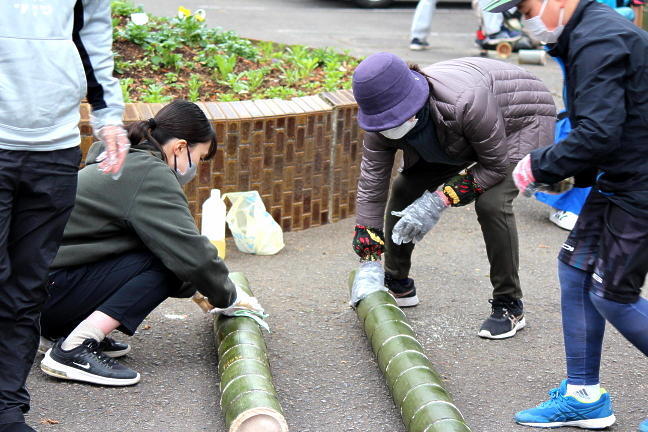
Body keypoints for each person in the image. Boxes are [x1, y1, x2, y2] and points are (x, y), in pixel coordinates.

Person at [484, 0, 648, 429]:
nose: (525, 20)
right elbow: (612, 118)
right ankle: (584, 397)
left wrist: (539, 166)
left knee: (613, 295)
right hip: (623, 172)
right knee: (576, 270)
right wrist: (573, 170)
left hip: (642, 181)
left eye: (526, 8)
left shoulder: (599, 39)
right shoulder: (583, 35)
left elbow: (599, 131)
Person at [38, 100, 264, 387]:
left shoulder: (124, 161)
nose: (196, 168)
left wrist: (199, 290)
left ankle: (60, 331)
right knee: (166, 260)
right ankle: (75, 348)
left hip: (35, 293)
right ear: (180, 147)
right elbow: (190, 253)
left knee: (163, 254)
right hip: (47, 294)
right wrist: (229, 297)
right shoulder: (147, 173)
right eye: (200, 157)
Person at [351, 52, 556, 339]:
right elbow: (373, 182)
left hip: (520, 121)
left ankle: (509, 303)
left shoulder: (465, 100)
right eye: (384, 122)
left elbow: (495, 166)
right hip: (460, 138)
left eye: (395, 118)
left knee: (492, 204)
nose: (389, 127)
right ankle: (397, 282)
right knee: (405, 188)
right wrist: (369, 254)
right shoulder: (379, 125)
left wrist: (440, 199)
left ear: (414, 101)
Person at [0, 1, 130, 430]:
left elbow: (93, 35)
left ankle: (7, 408)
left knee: (26, 287)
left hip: (54, 148)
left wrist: (108, 117)